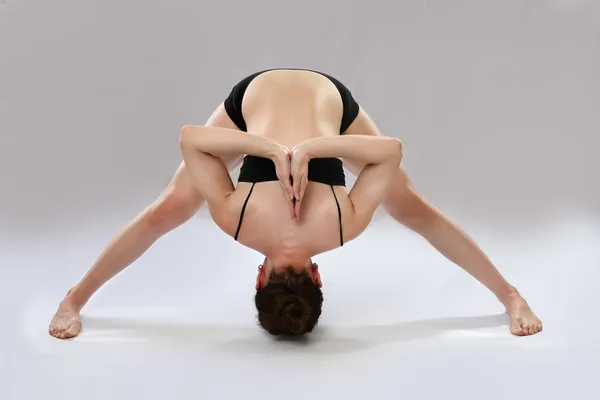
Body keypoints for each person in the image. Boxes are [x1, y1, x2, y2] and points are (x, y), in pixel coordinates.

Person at [49, 68, 542, 339]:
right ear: (259, 278)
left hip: (327, 97)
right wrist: (294, 148)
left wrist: (288, 148)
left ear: (319, 277)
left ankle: (510, 296)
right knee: (172, 209)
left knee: (412, 209)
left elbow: (388, 151)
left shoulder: (343, 225)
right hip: (255, 95)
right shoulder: (234, 221)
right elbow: (190, 141)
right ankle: (73, 299)